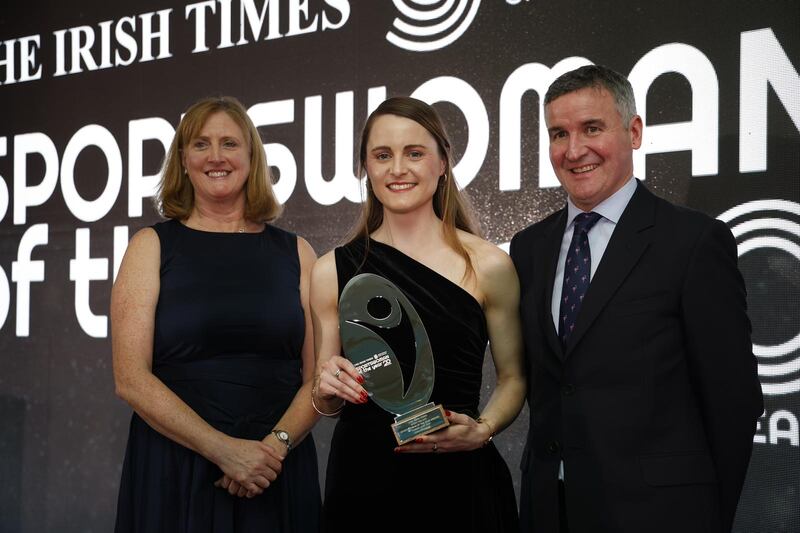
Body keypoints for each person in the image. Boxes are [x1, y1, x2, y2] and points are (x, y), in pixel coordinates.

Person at [510, 65, 764, 533]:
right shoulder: (528, 248)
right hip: (549, 509)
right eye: (558, 134)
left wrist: (706, 517)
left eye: (592, 128)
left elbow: (734, 399)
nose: (574, 150)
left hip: (660, 516)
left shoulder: (693, 241)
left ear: (634, 132)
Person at [310, 96, 526, 532]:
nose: (398, 169)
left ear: (443, 163)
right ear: (364, 169)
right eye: (382, 155)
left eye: (415, 153)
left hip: (460, 482)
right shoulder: (330, 269)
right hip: (363, 484)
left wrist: (482, 430)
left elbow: (514, 378)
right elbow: (326, 395)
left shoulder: (488, 265)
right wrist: (327, 386)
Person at [111, 96, 320, 532]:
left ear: (251, 157)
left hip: (274, 470)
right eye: (201, 145)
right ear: (184, 161)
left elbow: (317, 381)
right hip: (177, 468)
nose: (216, 156)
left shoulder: (297, 253)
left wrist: (271, 450)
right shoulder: (150, 246)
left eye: (230, 143)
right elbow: (130, 378)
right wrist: (223, 450)